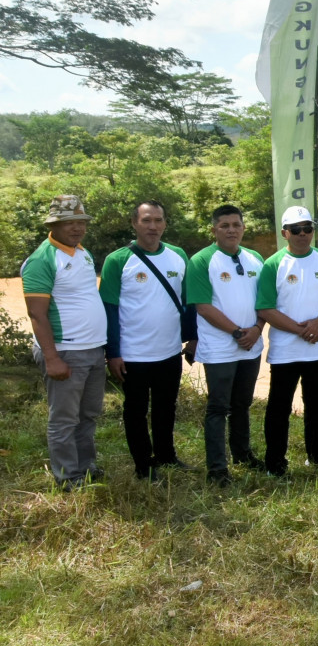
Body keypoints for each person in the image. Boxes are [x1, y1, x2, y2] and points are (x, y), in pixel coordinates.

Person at [99, 200, 198, 481]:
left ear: (165, 223)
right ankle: (144, 465)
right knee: (136, 411)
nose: (152, 226)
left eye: (158, 220)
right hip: (132, 354)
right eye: (146, 220)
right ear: (134, 223)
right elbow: (109, 309)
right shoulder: (118, 260)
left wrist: (191, 338)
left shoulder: (178, 256)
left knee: (166, 407)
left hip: (169, 351)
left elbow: (187, 302)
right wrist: (113, 353)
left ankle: (166, 456)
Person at [22, 195, 108, 490]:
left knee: (88, 415)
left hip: (93, 349)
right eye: (68, 222)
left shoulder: (82, 253)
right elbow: (37, 313)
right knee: (64, 419)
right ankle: (67, 477)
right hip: (65, 351)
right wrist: (52, 357)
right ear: (53, 224)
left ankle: (86, 468)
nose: (76, 227)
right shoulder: (41, 260)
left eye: (80, 222)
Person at [256, 206, 318, 476]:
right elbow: (265, 308)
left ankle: (317, 456)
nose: (303, 234)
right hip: (286, 351)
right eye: (296, 229)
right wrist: (300, 329)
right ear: (285, 233)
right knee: (279, 408)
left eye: (307, 228)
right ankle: (275, 463)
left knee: (317, 406)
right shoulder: (274, 264)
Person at [188, 204, 267, 486]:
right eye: (225, 226)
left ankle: (243, 455)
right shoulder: (201, 260)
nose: (231, 230)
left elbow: (265, 301)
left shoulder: (256, 258)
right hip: (221, 348)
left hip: (251, 344)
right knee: (218, 407)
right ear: (214, 230)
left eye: (236, 224)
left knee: (242, 404)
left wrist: (257, 329)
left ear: (244, 227)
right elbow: (203, 306)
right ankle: (217, 469)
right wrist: (237, 332)